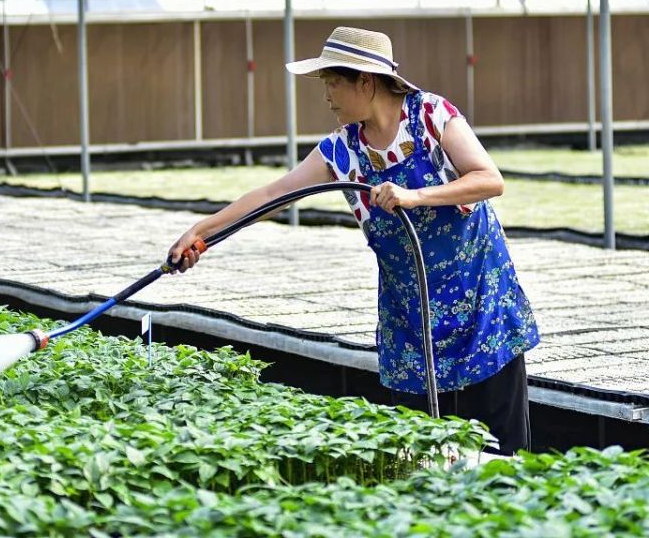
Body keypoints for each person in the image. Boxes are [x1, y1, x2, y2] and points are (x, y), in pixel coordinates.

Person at [167, 26, 539, 455]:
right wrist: (203, 232)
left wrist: (414, 196)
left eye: (332, 84)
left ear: (366, 81)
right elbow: (274, 195)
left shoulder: (432, 117)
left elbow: (489, 179)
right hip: (410, 315)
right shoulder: (342, 150)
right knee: (420, 455)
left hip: (479, 304)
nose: (326, 96)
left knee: (499, 454)